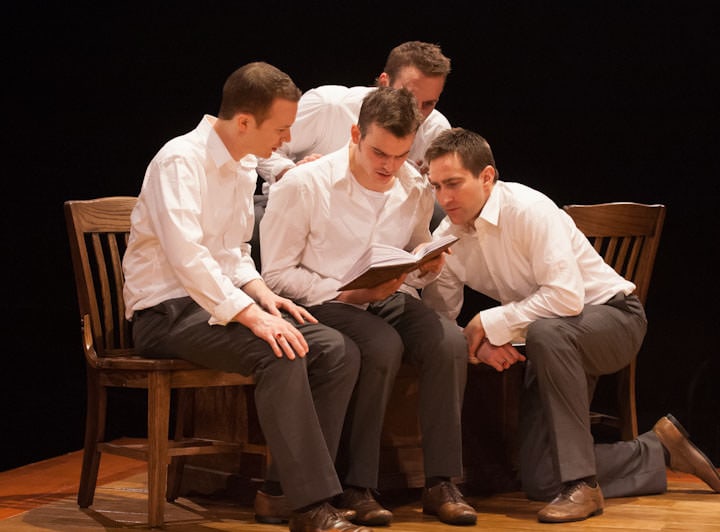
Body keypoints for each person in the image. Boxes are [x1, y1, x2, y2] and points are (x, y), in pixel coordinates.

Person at [422, 127, 720, 523]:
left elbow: (565, 298)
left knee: (547, 331)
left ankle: (583, 485)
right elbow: (443, 319)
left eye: (454, 184)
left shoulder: (528, 209)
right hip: (552, 343)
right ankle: (659, 449)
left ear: (487, 177)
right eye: (436, 186)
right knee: (541, 478)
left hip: (614, 319)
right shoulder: (447, 238)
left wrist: (488, 321)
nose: (444, 198)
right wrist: (477, 343)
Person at [122, 62, 371, 532]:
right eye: (280, 129)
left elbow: (234, 251)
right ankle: (311, 506)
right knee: (280, 351)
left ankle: (280, 494)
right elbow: (188, 256)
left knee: (337, 350)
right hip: (165, 312)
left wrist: (263, 297)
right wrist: (251, 316)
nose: (287, 139)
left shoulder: (242, 165)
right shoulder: (180, 161)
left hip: (210, 306)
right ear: (243, 122)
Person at [260, 87, 477, 527]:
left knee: (448, 342)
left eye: (400, 156)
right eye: (379, 153)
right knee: (380, 345)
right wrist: (347, 294)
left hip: (385, 296)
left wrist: (425, 266)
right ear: (356, 134)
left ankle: (441, 482)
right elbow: (276, 276)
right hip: (320, 299)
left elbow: (412, 257)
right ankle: (358, 485)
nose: (389, 166)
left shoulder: (412, 186)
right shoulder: (306, 184)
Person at [249, 41, 453, 268]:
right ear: (384, 82)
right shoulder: (329, 106)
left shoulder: (436, 130)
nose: (418, 113)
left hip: (379, 224)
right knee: (252, 225)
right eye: (410, 97)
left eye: (429, 104)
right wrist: (290, 171)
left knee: (440, 212)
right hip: (308, 212)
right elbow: (261, 148)